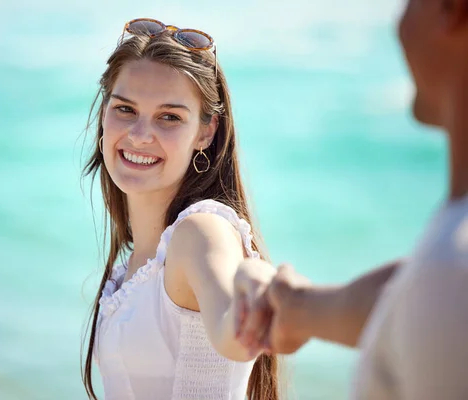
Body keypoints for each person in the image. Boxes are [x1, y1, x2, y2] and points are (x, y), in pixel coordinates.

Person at [232, 0, 468, 398]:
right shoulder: (441, 276)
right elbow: (401, 301)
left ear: (453, 10)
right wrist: (298, 307)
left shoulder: (451, 273)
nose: (398, 20)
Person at [81, 18, 279, 400]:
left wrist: (254, 314)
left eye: (169, 117)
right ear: (104, 111)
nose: (139, 134)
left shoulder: (201, 231)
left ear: (206, 132)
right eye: (125, 109)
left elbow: (232, 330)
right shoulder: (139, 263)